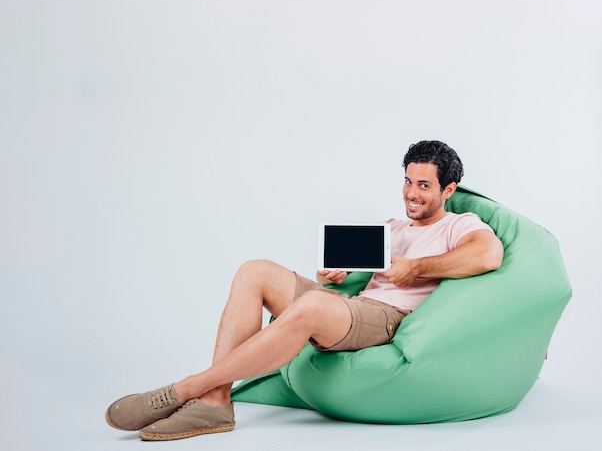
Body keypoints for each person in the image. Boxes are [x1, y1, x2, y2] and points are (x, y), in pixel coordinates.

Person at [105, 140, 503, 441]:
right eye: (407, 181)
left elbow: (489, 255)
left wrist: (416, 268)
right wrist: (336, 277)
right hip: (352, 306)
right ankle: (215, 402)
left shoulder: (459, 224)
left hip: (387, 319)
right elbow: (356, 281)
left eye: (423, 185)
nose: (411, 193)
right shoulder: (391, 227)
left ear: (448, 190)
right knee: (254, 270)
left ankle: (187, 388)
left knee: (313, 305)